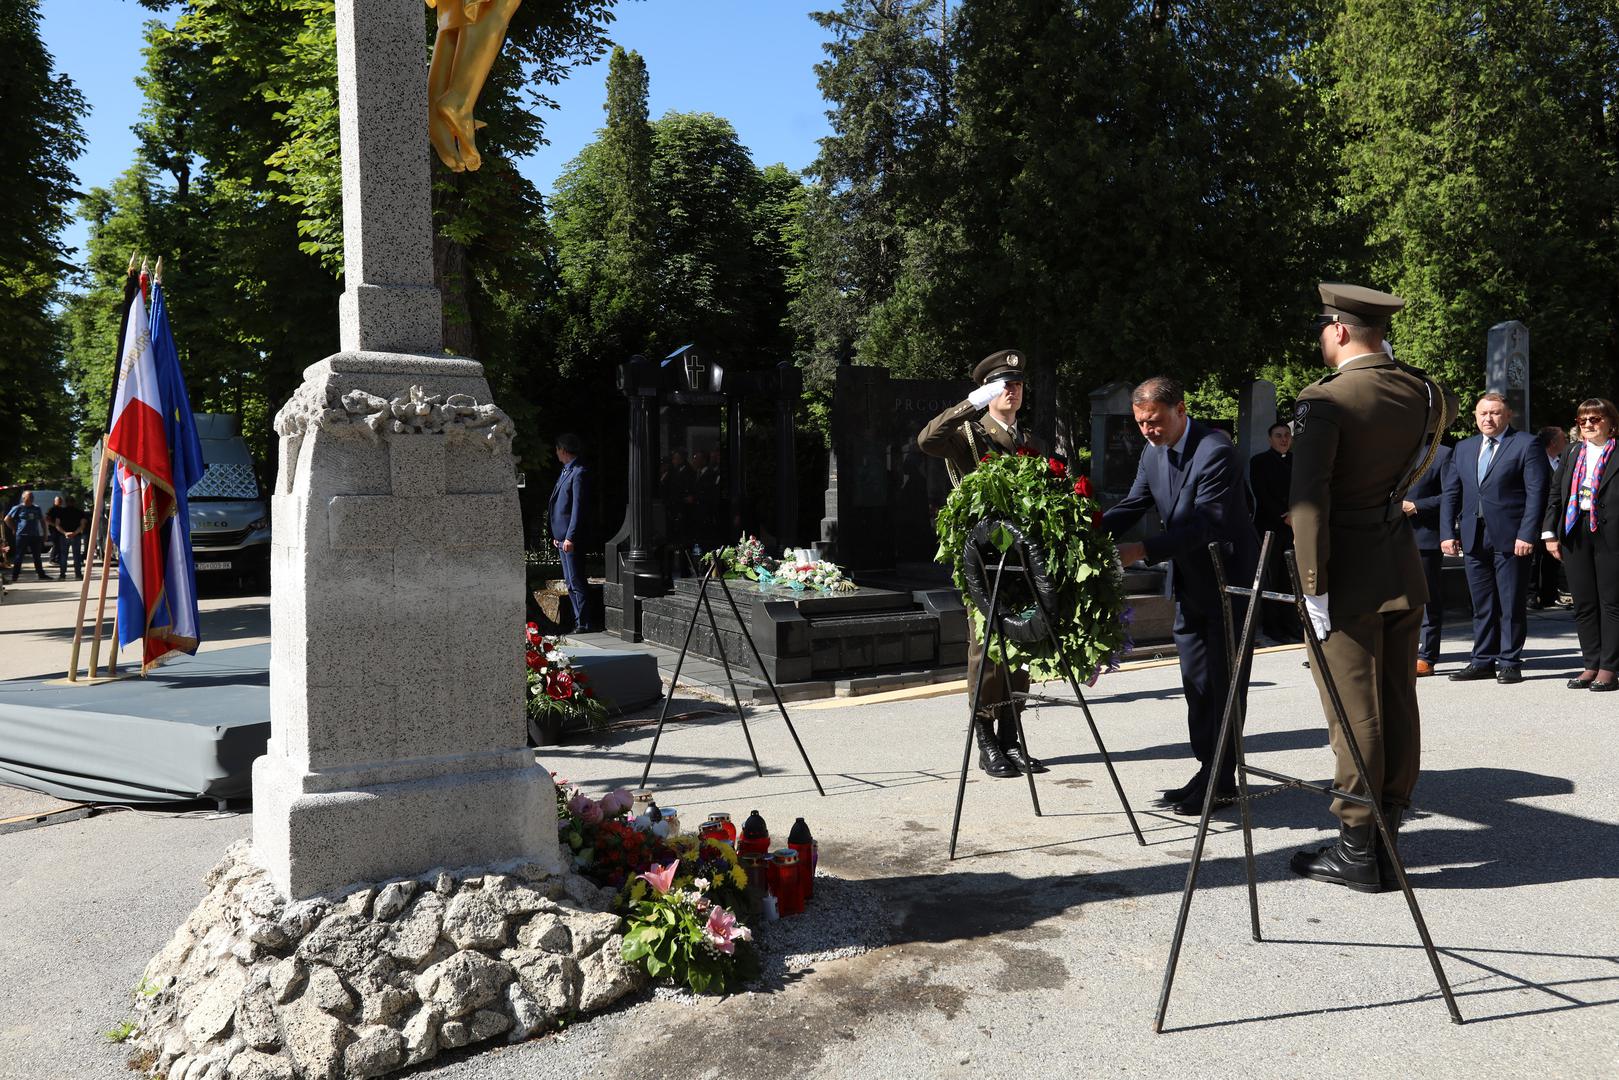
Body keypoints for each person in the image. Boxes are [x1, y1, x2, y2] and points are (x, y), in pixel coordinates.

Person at [1287, 282, 1457, 893]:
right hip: (1398, 565)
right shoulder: (1426, 391)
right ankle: (1387, 832)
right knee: (1397, 702)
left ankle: (1358, 849)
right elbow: (1440, 424)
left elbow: (1308, 503)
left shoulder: (1325, 399)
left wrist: (1312, 584)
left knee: (1353, 711)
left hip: (1344, 575)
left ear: (1338, 330)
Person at [1101, 377, 1258, 816]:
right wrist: (1084, 532)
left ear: (1181, 410)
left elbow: (1207, 525)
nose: (1148, 431)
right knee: (1196, 684)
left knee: (1226, 684)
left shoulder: (1216, 452)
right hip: (1189, 584)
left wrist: (1141, 551)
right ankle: (1209, 768)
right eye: (1141, 424)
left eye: (1155, 422)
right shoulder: (1152, 452)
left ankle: (1222, 779)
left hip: (1228, 585)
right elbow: (1135, 503)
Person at [918, 348, 1048, 778]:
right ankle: (985, 738)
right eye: (1002, 386)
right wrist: (970, 404)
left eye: (1016, 385)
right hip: (985, 559)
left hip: (1025, 560)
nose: (1011, 391)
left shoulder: (1033, 443)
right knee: (987, 648)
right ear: (988, 392)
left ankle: (1012, 734)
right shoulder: (969, 436)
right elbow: (927, 440)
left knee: (1025, 642)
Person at [1441, 392, 1550, 684]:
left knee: (1511, 602)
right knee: (1481, 604)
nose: (1488, 419)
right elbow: (1452, 493)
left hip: (1512, 537)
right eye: (1482, 414)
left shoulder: (1526, 444)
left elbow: (1536, 493)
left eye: (1495, 413)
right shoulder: (1464, 448)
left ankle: (1510, 661)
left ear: (1508, 415)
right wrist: (1446, 533)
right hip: (1473, 537)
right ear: (1475, 417)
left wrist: (1528, 533)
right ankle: (1482, 660)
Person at [1542, 399, 1619, 692]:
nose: (1588, 425)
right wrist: (1549, 532)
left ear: (1610, 422)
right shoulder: (1574, 452)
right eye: (1583, 420)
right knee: (1584, 602)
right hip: (1575, 529)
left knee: (1611, 602)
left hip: (1611, 533)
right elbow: (1555, 493)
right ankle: (1591, 664)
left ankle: (1609, 668)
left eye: (1595, 419)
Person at [1402, 441, 1453, 675]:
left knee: (1427, 599)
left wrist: (1417, 506)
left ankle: (1426, 655)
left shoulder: (1440, 454)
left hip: (1423, 537)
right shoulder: (1385, 450)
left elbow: (1451, 496)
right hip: (1388, 537)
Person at [1249, 420, 1301, 642]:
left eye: (1287, 435)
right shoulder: (1259, 461)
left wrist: (1297, 514)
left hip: (1295, 525)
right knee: (1271, 576)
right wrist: (1285, 514)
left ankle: (1291, 623)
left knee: (1291, 577)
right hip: (1271, 525)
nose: (1283, 439)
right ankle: (1272, 625)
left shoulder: (1298, 461)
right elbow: (1261, 492)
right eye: (1278, 435)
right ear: (1270, 439)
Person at [549, 434, 595, 632]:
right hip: (561, 537)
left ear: (564, 450)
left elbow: (577, 509)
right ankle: (579, 620)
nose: (556, 453)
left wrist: (570, 536)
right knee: (569, 581)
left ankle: (583, 622)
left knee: (576, 580)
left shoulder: (578, 472)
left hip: (570, 538)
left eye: (558, 449)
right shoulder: (566, 470)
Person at [1531, 425, 1570, 609]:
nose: (1566, 442)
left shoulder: (1558, 461)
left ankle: (1549, 593)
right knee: (1538, 559)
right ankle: (1536, 595)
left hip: (1555, 519)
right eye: (1563, 438)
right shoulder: (1538, 462)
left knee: (1550, 559)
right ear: (1553, 442)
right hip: (1539, 519)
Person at [4, 491, 49, 582]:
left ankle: (41, 574)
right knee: (19, 556)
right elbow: (7, 519)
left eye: (32, 497)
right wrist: (14, 528)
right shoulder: (18, 508)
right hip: (22, 536)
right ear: (24, 498)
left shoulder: (36, 508)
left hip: (34, 535)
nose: (32, 499)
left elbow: (42, 521)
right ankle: (15, 576)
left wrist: (45, 533)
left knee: (37, 556)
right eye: (29, 497)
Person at [54, 495, 87, 580]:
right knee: (77, 556)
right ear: (74, 502)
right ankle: (78, 575)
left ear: (65, 502)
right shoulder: (79, 512)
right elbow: (82, 525)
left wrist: (65, 533)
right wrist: (75, 533)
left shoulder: (60, 512)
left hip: (64, 536)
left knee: (63, 556)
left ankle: (62, 575)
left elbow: (57, 525)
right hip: (76, 536)